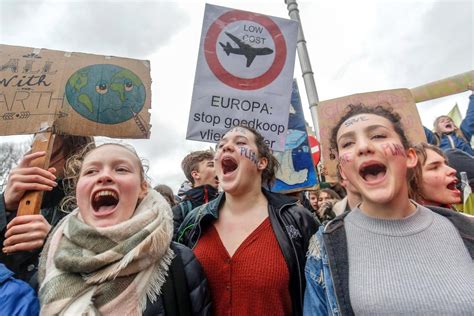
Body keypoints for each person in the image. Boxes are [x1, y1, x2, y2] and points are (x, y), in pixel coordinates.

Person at [304, 104, 474, 315]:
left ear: (410, 157)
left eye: (378, 136)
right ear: (343, 170)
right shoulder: (325, 246)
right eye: (347, 143)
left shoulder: (466, 228)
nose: (363, 147)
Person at [38, 143, 211, 315]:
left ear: (143, 188)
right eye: (91, 171)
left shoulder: (180, 263)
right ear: (77, 189)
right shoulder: (49, 254)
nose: (104, 176)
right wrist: (10, 208)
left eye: (121, 169)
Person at [177, 125, 318, 316]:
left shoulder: (296, 219)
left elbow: (320, 296)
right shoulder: (195, 221)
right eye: (221, 145)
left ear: (261, 162)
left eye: (240, 142)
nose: (225, 147)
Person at [1, 135, 92, 285]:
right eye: (34, 148)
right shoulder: (14, 203)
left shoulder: (97, 205)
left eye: (48, 148)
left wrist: (54, 239)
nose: (33, 157)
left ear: (75, 154)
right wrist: (4, 204)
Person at [172, 150, 219, 238]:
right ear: (196, 174)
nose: (218, 168)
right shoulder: (179, 211)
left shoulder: (226, 203)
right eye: (211, 165)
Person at [409, 142, 462, 209]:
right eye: (435, 167)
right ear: (412, 180)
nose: (452, 170)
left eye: (446, 164)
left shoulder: (457, 217)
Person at [424, 87, 474, 156]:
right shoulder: (435, 140)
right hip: (449, 164)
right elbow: (419, 127)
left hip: (469, 162)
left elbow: (471, 116)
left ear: (455, 126)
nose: (447, 121)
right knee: (448, 154)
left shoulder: (462, 134)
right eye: (442, 121)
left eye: (450, 120)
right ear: (437, 128)